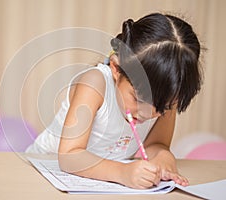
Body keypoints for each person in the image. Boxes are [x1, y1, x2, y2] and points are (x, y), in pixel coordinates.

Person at [26, 13, 202, 189]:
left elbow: (156, 144)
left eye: (163, 107)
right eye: (139, 98)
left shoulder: (166, 96)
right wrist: (122, 173)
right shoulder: (94, 84)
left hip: (97, 183)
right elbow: (69, 156)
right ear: (116, 68)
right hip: (43, 170)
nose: (146, 112)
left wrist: (163, 157)